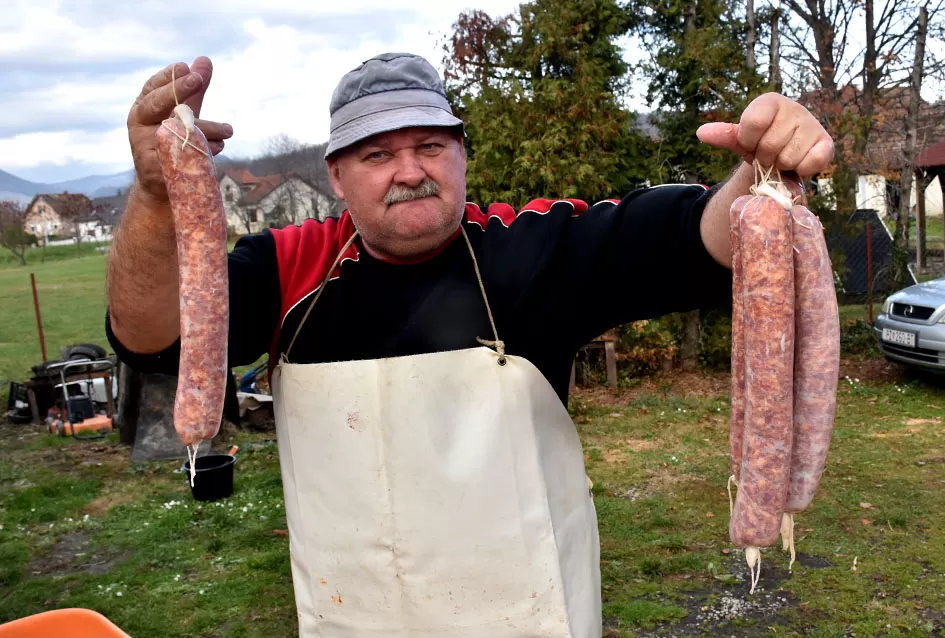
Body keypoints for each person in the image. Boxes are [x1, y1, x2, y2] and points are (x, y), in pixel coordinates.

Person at [106, 52, 833, 637]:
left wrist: (760, 169)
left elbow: (691, 243)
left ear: (461, 154)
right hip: (352, 616)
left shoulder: (533, 249)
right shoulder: (286, 266)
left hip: (526, 617)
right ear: (335, 174)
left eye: (429, 145)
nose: (409, 170)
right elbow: (153, 343)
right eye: (376, 154)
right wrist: (154, 197)